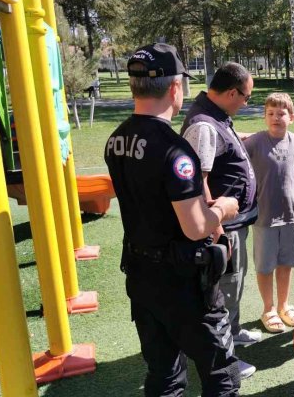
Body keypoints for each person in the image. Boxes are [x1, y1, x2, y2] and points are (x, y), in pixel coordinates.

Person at [105, 43, 241, 396]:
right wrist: (224, 208)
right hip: (182, 281)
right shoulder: (174, 150)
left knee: (164, 373)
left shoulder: (115, 139)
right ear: (175, 88)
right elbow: (195, 225)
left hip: (140, 273)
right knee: (221, 375)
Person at [180, 62, 259, 379]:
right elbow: (196, 182)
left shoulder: (215, 119)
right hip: (221, 229)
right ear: (231, 92)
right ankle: (223, 358)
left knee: (233, 285)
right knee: (221, 293)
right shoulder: (204, 125)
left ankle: (233, 332)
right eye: (246, 97)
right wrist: (215, 228)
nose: (246, 103)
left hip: (232, 224)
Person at [243, 93, 294, 333]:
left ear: (292, 117)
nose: (276, 118)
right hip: (264, 216)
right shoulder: (256, 141)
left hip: (290, 215)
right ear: (265, 117)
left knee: (285, 263)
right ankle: (268, 308)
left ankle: (284, 305)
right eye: (271, 113)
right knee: (265, 266)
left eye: (281, 113)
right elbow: (238, 154)